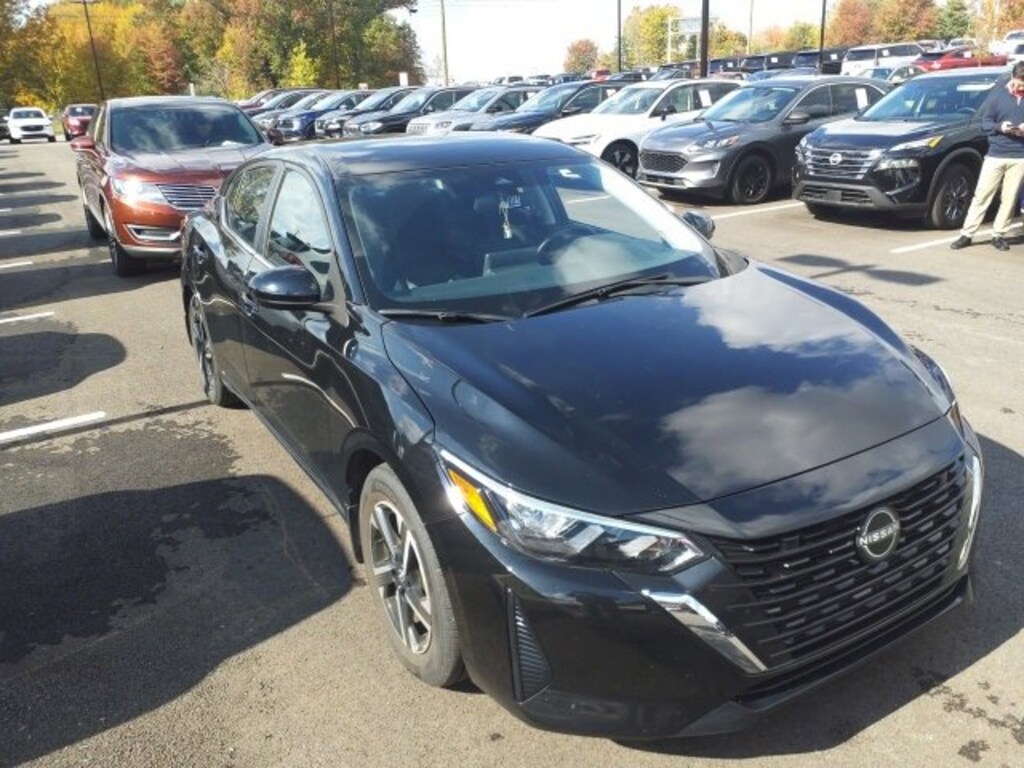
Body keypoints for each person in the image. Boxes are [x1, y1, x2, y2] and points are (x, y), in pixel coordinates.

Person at [950, 61, 1024, 251]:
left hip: (1019, 157)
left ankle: (999, 234)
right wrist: (1001, 127)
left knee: (1009, 198)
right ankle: (967, 234)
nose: (1020, 87)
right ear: (1013, 78)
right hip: (996, 154)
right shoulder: (997, 97)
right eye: (1019, 83)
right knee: (982, 195)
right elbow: (985, 123)